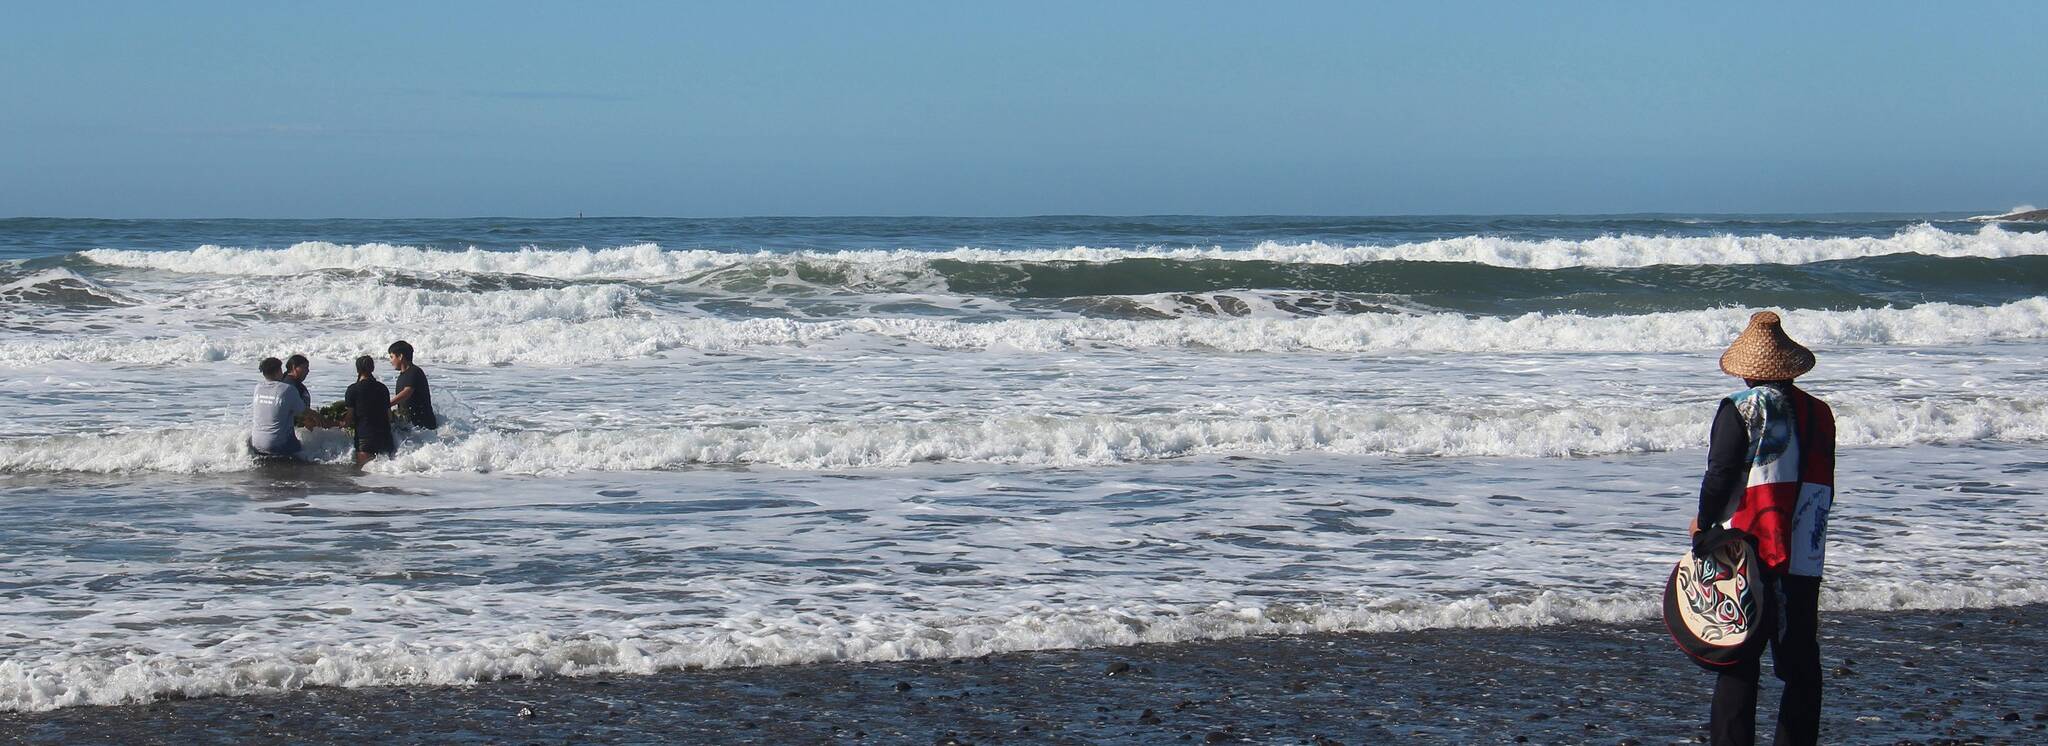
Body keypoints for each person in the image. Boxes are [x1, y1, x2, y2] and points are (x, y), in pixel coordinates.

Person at [1692, 311, 1836, 746]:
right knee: (1800, 665)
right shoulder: (1821, 413)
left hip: (1750, 544)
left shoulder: (1741, 409)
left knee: (1739, 660)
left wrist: (1703, 525)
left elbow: (1721, 474)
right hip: (1805, 548)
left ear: (1748, 371)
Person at [249, 357, 309, 458]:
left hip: (256, 444)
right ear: (279, 371)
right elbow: (304, 412)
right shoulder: (288, 389)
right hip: (278, 446)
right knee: (308, 453)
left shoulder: (257, 388)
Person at [342, 355, 395, 466]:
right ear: (372, 368)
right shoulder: (382, 388)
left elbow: (348, 419)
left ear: (358, 369)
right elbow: (389, 416)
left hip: (365, 438)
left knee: (366, 477)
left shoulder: (353, 389)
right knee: (388, 474)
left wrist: (337, 424)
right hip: (385, 437)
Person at [387, 340, 439, 430]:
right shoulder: (402, 376)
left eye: (391, 357)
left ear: (400, 356)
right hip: (412, 427)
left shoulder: (414, 372)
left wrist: (387, 404)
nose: (390, 361)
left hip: (424, 427)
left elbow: (407, 392)